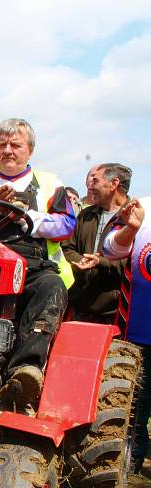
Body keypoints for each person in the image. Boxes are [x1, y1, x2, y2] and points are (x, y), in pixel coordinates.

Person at [0, 118, 75, 409]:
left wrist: (26, 215)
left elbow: (66, 225)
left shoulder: (49, 183)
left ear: (29, 150)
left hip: (32, 262)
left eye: (15, 144)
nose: (7, 150)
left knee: (51, 286)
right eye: (1, 145)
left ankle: (25, 370)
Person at [102, 198, 149, 473]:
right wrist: (131, 228)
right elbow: (111, 249)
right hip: (138, 328)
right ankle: (132, 453)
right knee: (137, 400)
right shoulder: (142, 207)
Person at [62, 163, 131, 323]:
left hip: (115, 314)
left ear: (113, 184)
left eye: (96, 181)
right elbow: (66, 248)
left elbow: (133, 265)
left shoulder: (134, 218)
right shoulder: (85, 215)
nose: (90, 186)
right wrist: (80, 260)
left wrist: (100, 262)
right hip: (79, 308)